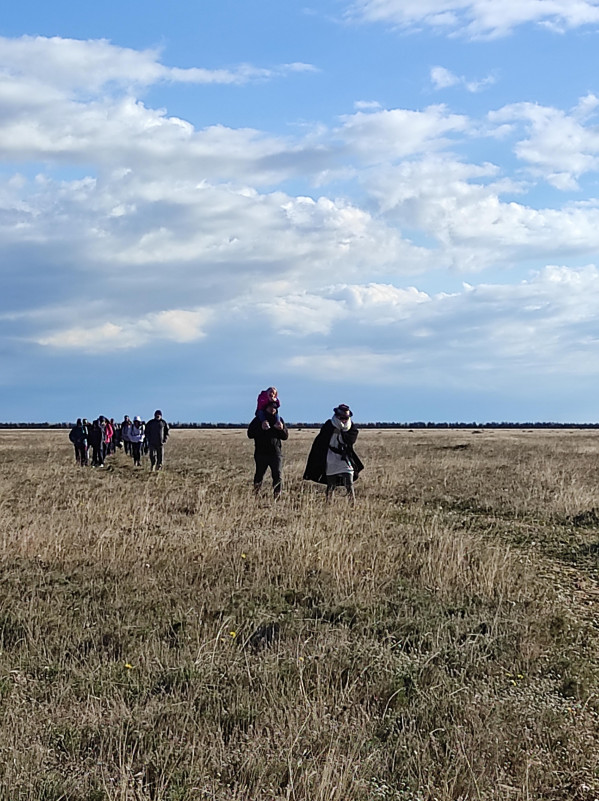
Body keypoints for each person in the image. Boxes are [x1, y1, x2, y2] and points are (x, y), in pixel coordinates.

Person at [303, 404, 364, 502]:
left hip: (345, 457)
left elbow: (351, 440)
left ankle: (353, 503)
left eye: (346, 417)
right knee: (331, 482)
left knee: (349, 479)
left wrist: (342, 433)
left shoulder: (351, 427)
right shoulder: (329, 424)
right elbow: (321, 440)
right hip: (330, 457)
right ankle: (328, 502)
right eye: (342, 417)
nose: (344, 420)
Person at [247, 400, 288, 498]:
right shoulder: (258, 420)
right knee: (259, 475)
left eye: (275, 408)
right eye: (270, 407)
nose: (273, 409)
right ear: (266, 408)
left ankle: (277, 496)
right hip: (261, 453)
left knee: (277, 475)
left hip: (275, 453)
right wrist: (261, 428)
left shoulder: (279, 420)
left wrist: (281, 429)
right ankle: (256, 494)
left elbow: (285, 436)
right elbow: (250, 434)